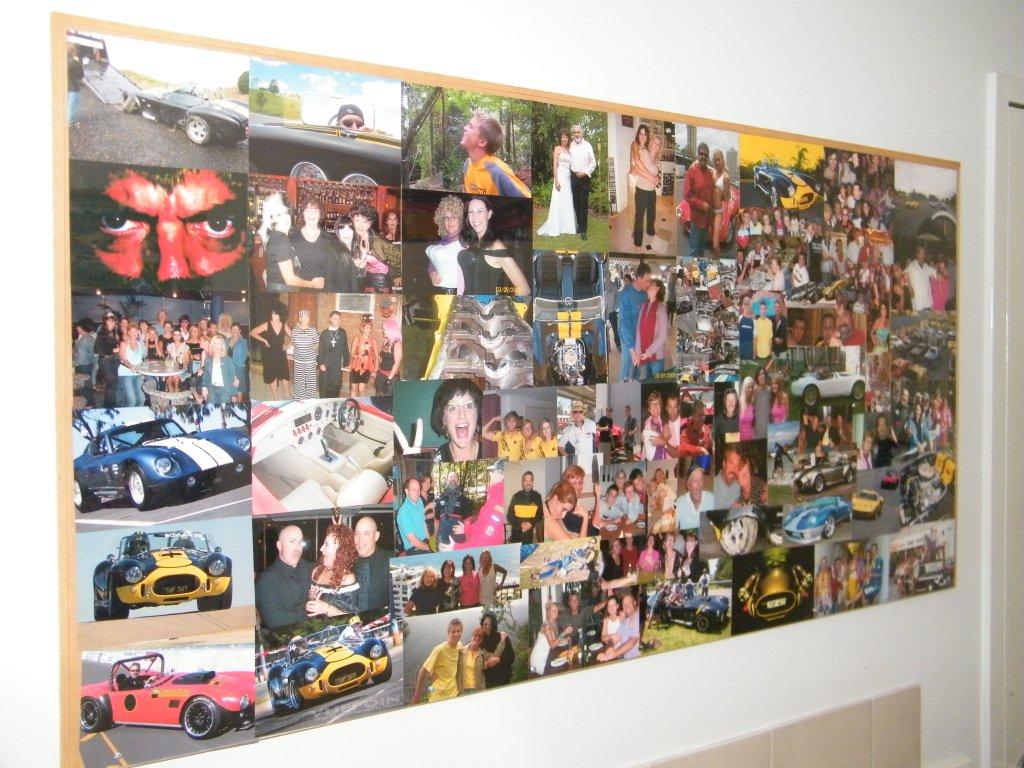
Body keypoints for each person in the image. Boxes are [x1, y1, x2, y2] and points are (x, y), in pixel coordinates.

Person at [458, 197, 531, 297]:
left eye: (480, 211)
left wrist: (504, 304)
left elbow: (524, 289)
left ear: (489, 214)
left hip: (484, 305)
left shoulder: (496, 246)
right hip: (466, 303)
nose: (474, 217)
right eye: (471, 212)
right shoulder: (474, 242)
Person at [460, 109, 531, 197]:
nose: (464, 128)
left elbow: (526, 196)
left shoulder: (497, 171)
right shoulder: (467, 165)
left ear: (482, 142)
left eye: (470, 126)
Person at [256, 525, 314, 629]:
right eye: (292, 541)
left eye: (300, 542)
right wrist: (312, 615)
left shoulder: (309, 568)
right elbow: (276, 621)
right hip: (284, 636)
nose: (297, 548)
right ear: (279, 545)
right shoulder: (267, 579)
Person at [306, 523, 360, 618]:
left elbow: (352, 616)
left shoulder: (347, 579)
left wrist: (326, 609)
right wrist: (311, 597)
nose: (321, 549)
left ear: (340, 551)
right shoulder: (316, 572)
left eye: (326, 544)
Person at [411, 618, 464, 704]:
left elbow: (465, 651)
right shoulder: (439, 649)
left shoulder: (459, 645)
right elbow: (422, 671)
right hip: (438, 696)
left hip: (454, 693)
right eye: (453, 632)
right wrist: (417, 696)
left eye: (458, 631)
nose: (456, 634)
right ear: (448, 633)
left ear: (462, 632)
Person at [430, 377, 484, 462]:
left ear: (477, 415)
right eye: (452, 408)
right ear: (444, 419)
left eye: (469, 406)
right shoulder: (435, 460)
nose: (462, 415)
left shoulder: (494, 452)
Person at [537, 128, 577, 237]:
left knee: (567, 201)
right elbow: (554, 165)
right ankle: (556, 226)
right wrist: (556, 180)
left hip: (568, 178)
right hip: (560, 177)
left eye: (567, 137)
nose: (565, 139)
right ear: (560, 138)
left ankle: (567, 227)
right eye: (563, 137)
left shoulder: (569, 150)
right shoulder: (557, 149)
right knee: (558, 201)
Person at [425, 195, 466, 294]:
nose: (450, 221)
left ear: (461, 220)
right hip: (439, 293)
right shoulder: (441, 242)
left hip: (457, 294)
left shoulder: (466, 241)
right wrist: (432, 274)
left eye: (454, 217)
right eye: (446, 217)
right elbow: (432, 266)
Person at [250, 307, 292, 400]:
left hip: (281, 353)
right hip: (269, 354)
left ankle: (287, 394)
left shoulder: (284, 326)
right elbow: (252, 332)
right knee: (272, 376)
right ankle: (276, 398)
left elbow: (294, 336)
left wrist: (288, 345)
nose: (273, 315)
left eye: (275, 313)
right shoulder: (267, 324)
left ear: (280, 315)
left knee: (285, 375)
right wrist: (264, 340)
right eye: (272, 313)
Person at [617, 265, 651, 382]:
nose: (648, 284)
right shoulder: (626, 294)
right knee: (627, 370)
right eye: (646, 280)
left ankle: (635, 386)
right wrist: (631, 349)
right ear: (638, 278)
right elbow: (624, 323)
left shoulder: (644, 294)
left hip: (640, 337)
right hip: (628, 339)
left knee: (638, 368)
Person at [350, 205, 393, 292]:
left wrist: (398, 275)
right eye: (357, 220)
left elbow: (397, 259)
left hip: (381, 280)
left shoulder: (379, 240)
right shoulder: (353, 238)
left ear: (370, 223)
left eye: (365, 221)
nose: (360, 225)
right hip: (365, 279)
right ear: (352, 221)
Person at [353, 516, 390, 612]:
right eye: (357, 533)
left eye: (366, 533)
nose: (360, 539)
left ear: (376, 536)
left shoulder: (390, 561)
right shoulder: (347, 564)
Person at [684, 142, 715, 258]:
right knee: (693, 250)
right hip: (696, 219)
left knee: (702, 249)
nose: (703, 156)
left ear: (708, 157)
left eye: (706, 155)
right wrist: (702, 205)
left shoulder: (711, 173)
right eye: (701, 154)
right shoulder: (692, 170)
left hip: (707, 220)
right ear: (697, 155)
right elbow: (687, 195)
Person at [633, 278, 668, 379]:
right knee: (647, 380)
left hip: (656, 355)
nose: (649, 287)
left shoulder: (661, 308)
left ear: (658, 289)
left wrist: (649, 352)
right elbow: (639, 331)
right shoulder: (644, 306)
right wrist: (638, 351)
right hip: (644, 353)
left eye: (652, 285)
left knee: (656, 382)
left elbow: (662, 336)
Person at [568, 124, 598, 239]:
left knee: (583, 204)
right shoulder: (571, 145)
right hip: (574, 177)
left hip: (584, 178)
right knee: (576, 203)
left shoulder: (588, 146)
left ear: (582, 133)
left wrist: (585, 172)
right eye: (575, 132)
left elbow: (593, 163)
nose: (577, 134)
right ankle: (580, 226)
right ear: (573, 134)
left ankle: (584, 230)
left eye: (578, 132)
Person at [633, 132, 662, 249]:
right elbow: (636, 169)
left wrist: (657, 179)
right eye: (654, 142)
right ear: (650, 143)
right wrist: (652, 178)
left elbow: (657, 175)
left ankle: (650, 231)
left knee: (651, 214)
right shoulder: (644, 153)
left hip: (652, 192)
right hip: (641, 191)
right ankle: (637, 242)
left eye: (658, 144)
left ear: (659, 148)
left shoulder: (657, 161)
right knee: (639, 216)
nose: (656, 145)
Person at [595, 593, 640, 662]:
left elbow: (632, 641)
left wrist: (612, 655)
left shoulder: (634, 617)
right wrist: (610, 648)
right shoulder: (624, 622)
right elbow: (614, 638)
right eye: (624, 605)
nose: (626, 606)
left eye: (629, 603)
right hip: (622, 657)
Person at [531, 601, 572, 676]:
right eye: (552, 611)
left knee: (564, 662)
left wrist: (565, 639)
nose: (555, 613)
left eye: (556, 610)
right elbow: (552, 645)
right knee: (560, 670)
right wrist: (565, 632)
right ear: (548, 612)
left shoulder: (553, 623)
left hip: (546, 656)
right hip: (538, 661)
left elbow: (555, 641)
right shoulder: (547, 626)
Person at [200, 334, 240, 405]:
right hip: (212, 388)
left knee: (224, 408)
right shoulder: (208, 360)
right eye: (215, 343)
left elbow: (233, 376)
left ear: (222, 346)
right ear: (212, 345)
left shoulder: (228, 360)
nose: (217, 346)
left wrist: (234, 394)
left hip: (225, 389)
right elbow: (206, 376)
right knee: (211, 407)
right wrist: (204, 388)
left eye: (219, 344)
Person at [479, 611, 516, 688]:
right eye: (485, 624)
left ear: (494, 624)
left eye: (490, 624)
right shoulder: (481, 640)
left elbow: (511, 657)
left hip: (504, 679)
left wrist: (499, 660)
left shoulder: (502, 637)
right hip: (488, 681)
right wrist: (484, 665)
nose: (488, 626)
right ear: (482, 625)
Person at [317, 310, 349, 398]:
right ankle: (324, 402)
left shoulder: (342, 332)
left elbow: (345, 347)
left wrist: (346, 362)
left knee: (335, 385)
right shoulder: (324, 333)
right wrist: (320, 363)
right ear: (330, 319)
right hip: (326, 363)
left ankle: (334, 402)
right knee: (324, 385)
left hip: (336, 363)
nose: (337, 321)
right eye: (335, 318)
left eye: (339, 319)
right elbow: (321, 349)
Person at [561, 400, 598, 475]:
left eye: (580, 412)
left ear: (583, 413)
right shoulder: (568, 431)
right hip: (578, 465)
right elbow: (560, 446)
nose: (578, 414)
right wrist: (569, 458)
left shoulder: (591, 424)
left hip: (591, 464)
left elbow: (598, 431)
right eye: (575, 412)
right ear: (572, 414)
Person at [435, 471, 470, 548]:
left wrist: (467, 538)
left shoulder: (464, 500)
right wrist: (435, 538)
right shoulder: (440, 500)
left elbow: (468, 521)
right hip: (444, 539)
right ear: (446, 481)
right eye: (450, 477)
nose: (453, 478)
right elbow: (436, 521)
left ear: (458, 481)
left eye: (455, 477)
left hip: (459, 540)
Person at [290, 309, 319, 399]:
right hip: (298, 361)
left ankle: (311, 398)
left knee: (311, 381)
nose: (306, 318)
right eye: (304, 317)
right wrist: (300, 349)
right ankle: (299, 398)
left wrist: (310, 350)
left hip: (310, 361)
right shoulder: (294, 331)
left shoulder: (313, 330)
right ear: (300, 319)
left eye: (308, 317)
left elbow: (317, 343)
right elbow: (293, 342)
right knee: (299, 380)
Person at [397, 478, 432, 554]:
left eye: (418, 489)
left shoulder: (419, 501)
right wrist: (430, 548)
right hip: (413, 548)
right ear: (407, 491)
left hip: (424, 541)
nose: (417, 493)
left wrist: (430, 541)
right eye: (413, 490)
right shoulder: (403, 512)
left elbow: (423, 523)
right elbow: (413, 541)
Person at [675, 466, 715, 530]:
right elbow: (671, 526)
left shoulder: (711, 498)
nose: (699, 484)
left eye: (701, 480)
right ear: (688, 485)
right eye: (695, 481)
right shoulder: (679, 503)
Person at [508, 470, 543, 543]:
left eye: (530, 480)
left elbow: (540, 515)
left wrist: (529, 523)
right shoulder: (516, 496)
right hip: (516, 534)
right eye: (526, 480)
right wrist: (522, 524)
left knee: (527, 550)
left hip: (529, 535)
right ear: (523, 483)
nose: (528, 482)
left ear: (532, 482)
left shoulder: (537, 496)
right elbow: (510, 516)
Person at [348, 316, 378, 397]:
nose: (369, 329)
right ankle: (353, 403)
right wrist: (357, 356)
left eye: (370, 328)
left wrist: (375, 369)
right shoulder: (357, 338)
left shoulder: (373, 341)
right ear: (362, 328)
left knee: (361, 389)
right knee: (354, 388)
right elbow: (352, 353)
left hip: (366, 368)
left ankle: (361, 403)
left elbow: (376, 356)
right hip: (355, 367)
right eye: (367, 327)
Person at [116, 326, 146, 407]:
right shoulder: (123, 344)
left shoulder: (140, 344)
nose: (133, 333)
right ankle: (127, 414)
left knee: (141, 399)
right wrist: (130, 366)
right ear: (128, 332)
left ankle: (137, 414)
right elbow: (123, 359)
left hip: (138, 373)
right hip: (126, 374)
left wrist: (143, 371)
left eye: (135, 331)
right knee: (132, 400)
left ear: (138, 332)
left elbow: (144, 357)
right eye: (131, 331)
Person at [710, 148, 731, 257]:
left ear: (723, 159)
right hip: (710, 211)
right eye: (715, 160)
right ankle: (716, 256)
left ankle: (718, 257)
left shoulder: (726, 177)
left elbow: (727, 198)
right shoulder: (713, 173)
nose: (717, 162)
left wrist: (725, 219)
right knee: (710, 236)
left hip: (718, 212)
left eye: (719, 159)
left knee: (715, 244)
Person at [904, 243, 937, 312]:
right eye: (922, 253)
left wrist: (936, 267)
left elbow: (936, 273)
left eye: (924, 253)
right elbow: (904, 275)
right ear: (917, 254)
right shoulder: (911, 266)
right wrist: (909, 286)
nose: (923, 255)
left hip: (927, 304)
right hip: (918, 305)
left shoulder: (926, 266)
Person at [375, 316, 402, 396]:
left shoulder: (397, 344)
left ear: (390, 330)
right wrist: (377, 371)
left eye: (384, 329)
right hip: (381, 375)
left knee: (388, 399)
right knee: (379, 397)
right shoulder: (386, 341)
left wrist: (389, 378)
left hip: (391, 377)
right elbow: (381, 356)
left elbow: (397, 363)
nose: (383, 331)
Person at [738, 295, 754, 361]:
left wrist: (754, 354)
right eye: (745, 304)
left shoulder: (754, 321)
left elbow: (755, 339)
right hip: (740, 353)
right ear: (742, 305)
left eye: (748, 304)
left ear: (751, 306)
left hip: (749, 354)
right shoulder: (739, 319)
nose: (747, 306)